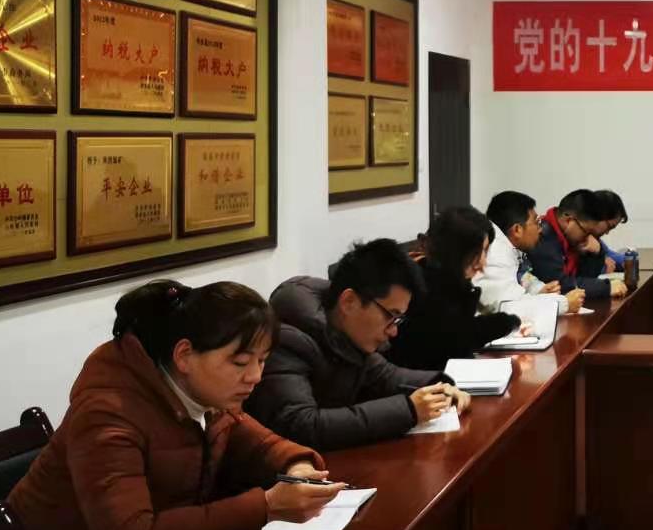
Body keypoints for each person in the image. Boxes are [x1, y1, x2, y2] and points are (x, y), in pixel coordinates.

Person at [8, 280, 342, 530]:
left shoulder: (207, 394)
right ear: (184, 356)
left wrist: (297, 467)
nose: (255, 376)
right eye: (241, 363)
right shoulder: (108, 413)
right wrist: (265, 507)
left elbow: (257, 443)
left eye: (262, 360)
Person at [247, 240, 472, 451]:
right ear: (349, 302)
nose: (393, 331)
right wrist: (409, 410)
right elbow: (301, 425)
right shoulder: (287, 337)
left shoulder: (347, 334)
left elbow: (387, 376)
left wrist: (440, 386)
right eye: (390, 316)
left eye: (398, 320)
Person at [387, 207, 522, 370]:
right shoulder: (421, 288)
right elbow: (455, 338)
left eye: (485, 252)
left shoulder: (454, 282)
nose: (482, 263)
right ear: (455, 252)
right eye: (478, 253)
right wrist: (507, 322)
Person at [480, 190, 586, 315]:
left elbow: (522, 279)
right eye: (536, 223)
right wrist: (564, 304)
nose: (540, 230)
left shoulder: (509, 248)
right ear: (517, 230)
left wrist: (539, 290)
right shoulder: (495, 253)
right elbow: (509, 307)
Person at [529, 190, 629, 301]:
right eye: (586, 232)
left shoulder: (572, 237)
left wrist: (595, 253)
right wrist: (606, 288)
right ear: (568, 220)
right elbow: (559, 285)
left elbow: (586, 277)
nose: (588, 237)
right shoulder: (542, 236)